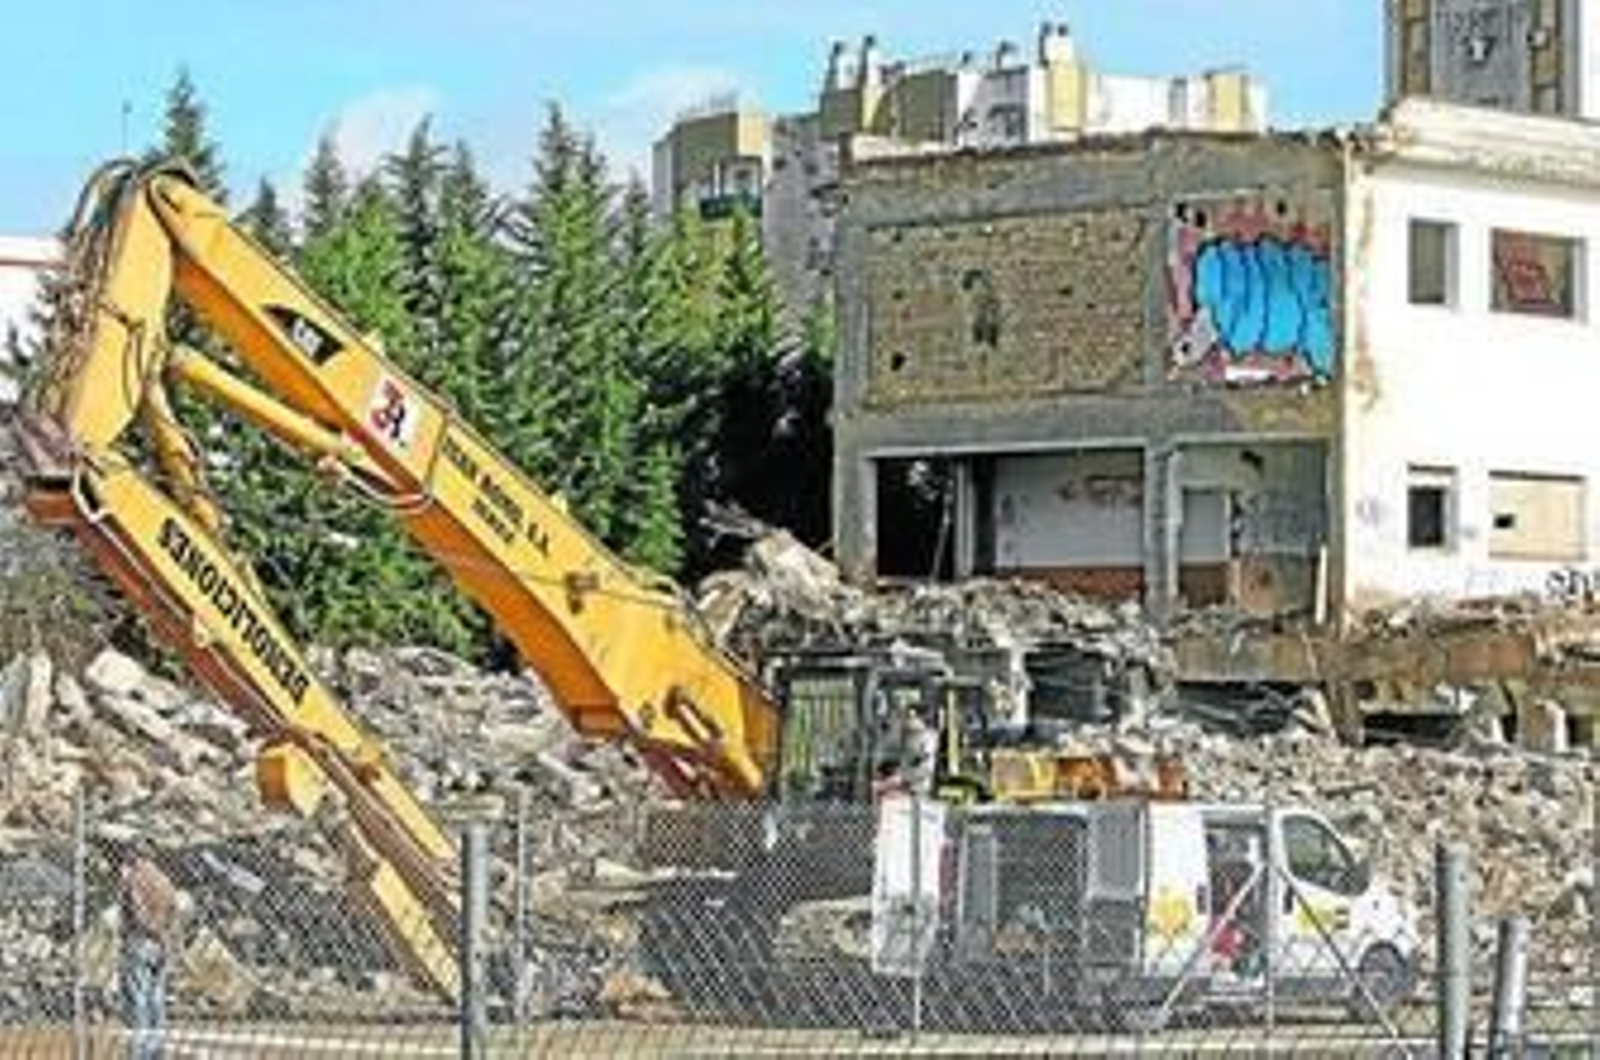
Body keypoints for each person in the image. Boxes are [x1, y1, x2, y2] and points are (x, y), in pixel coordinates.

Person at [120, 847, 179, 1060]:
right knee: (157, 999)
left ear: (135, 857)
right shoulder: (165, 880)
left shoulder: (135, 879)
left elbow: (138, 914)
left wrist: (151, 929)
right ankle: (158, 1051)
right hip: (161, 943)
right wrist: (165, 938)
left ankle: (140, 1053)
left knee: (139, 998)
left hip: (140, 940)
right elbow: (173, 912)